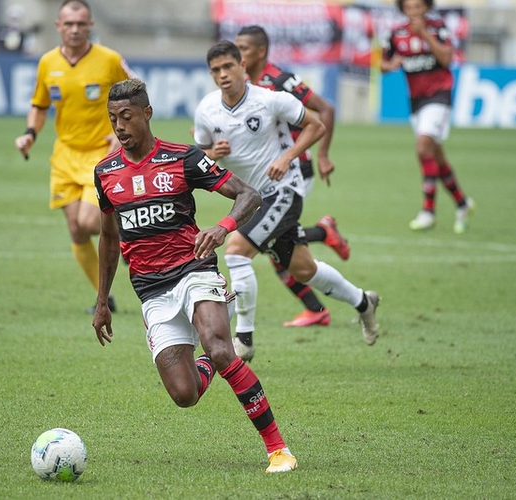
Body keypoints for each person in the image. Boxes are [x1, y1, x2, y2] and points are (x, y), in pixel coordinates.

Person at [92, 78, 298, 474]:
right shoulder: (105, 173)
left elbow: (249, 194)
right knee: (185, 395)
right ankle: (208, 362)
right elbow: (108, 237)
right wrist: (102, 301)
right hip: (151, 288)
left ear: (147, 114)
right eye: (113, 118)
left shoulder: (183, 158)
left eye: (127, 117)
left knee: (223, 349)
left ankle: (278, 449)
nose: (119, 126)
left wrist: (221, 228)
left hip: (194, 268)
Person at [193, 41, 380, 362]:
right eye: (215, 70)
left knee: (236, 251)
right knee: (304, 269)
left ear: (242, 66)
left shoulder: (270, 100)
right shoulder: (207, 109)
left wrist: (288, 157)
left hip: (283, 190)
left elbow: (316, 124)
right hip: (250, 198)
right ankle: (364, 301)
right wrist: (213, 153)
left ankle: (244, 340)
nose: (223, 75)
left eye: (228, 67)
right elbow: (200, 152)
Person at [15, 0, 135, 313]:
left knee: (88, 220)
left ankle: (126, 229)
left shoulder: (108, 60)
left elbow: (137, 93)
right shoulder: (47, 63)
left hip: (100, 153)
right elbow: (39, 105)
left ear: (90, 25)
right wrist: (30, 133)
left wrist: (120, 131)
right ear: (58, 26)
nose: (75, 29)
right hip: (65, 154)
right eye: (69, 24)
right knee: (76, 229)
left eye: (81, 24)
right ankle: (103, 298)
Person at [235, 25, 350, 328]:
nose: (238, 54)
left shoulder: (282, 80)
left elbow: (325, 109)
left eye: (244, 48)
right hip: (267, 176)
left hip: (295, 169)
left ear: (261, 51)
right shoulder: (244, 84)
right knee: (277, 246)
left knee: (272, 244)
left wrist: (323, 154)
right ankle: (323, 240)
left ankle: (316, 307)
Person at [380, 0, 474, 234]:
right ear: (403, 9)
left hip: (440, 96)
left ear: (426, 7)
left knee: (423, 147)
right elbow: (382, 63)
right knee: (436, 157)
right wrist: (390, 65)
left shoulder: (438, 28)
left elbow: (447, 59)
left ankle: (428, 211)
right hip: (416, 101)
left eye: (418, 7)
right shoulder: (395, 33)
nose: (414, 12)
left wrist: (424, 35)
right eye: (409, 7)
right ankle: (462, 204)